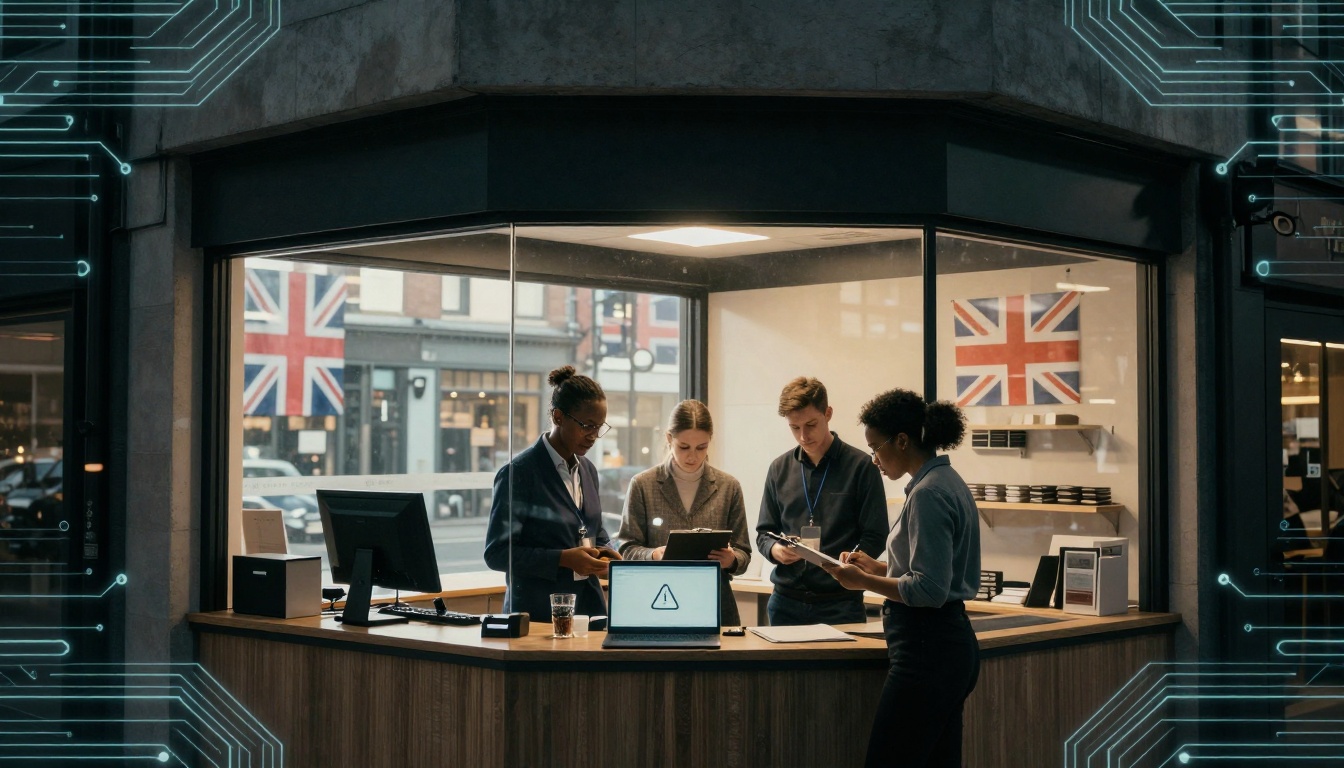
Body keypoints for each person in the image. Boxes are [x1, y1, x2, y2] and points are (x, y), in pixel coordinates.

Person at [820, 388, 981, 768]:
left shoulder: (928, 494)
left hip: (926, 650)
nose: (874, 459)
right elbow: (934, 573)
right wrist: (877, 569)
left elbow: (929, 589)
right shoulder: (948, 480)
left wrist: (861, 582)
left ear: (902, 441)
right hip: (947, 646)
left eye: (876, 447)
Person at [483, 365, 621, 622]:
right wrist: (562, 559)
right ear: (558, 417)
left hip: (588, 610)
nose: (593, 436)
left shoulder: (588, 470)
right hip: (537, 615)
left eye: (599, 427)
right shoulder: (519, 473)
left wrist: (605, 551)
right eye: (587, 426)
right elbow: (497, 554)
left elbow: (593, 529)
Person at [755, 377, 888, 626]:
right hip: (786, 602)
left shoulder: (861, 467)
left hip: (840, 602)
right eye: (794, 428)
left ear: (828, 414)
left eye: (811, 425)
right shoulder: (779, 469)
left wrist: (850, 562)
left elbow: (876, 534)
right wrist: (775, 550)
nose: (803, 436)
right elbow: (764, 533)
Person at [617, 400, 752, 625]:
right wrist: (653, 555)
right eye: (684, 447)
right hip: (657, 601)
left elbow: (744, 553)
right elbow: (626, 549)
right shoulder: (643, 484)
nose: (693, 456)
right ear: (669, 438)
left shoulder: (729, 487)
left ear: (710, 440)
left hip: (715, 603)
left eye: (701, 447)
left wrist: (731, 560)